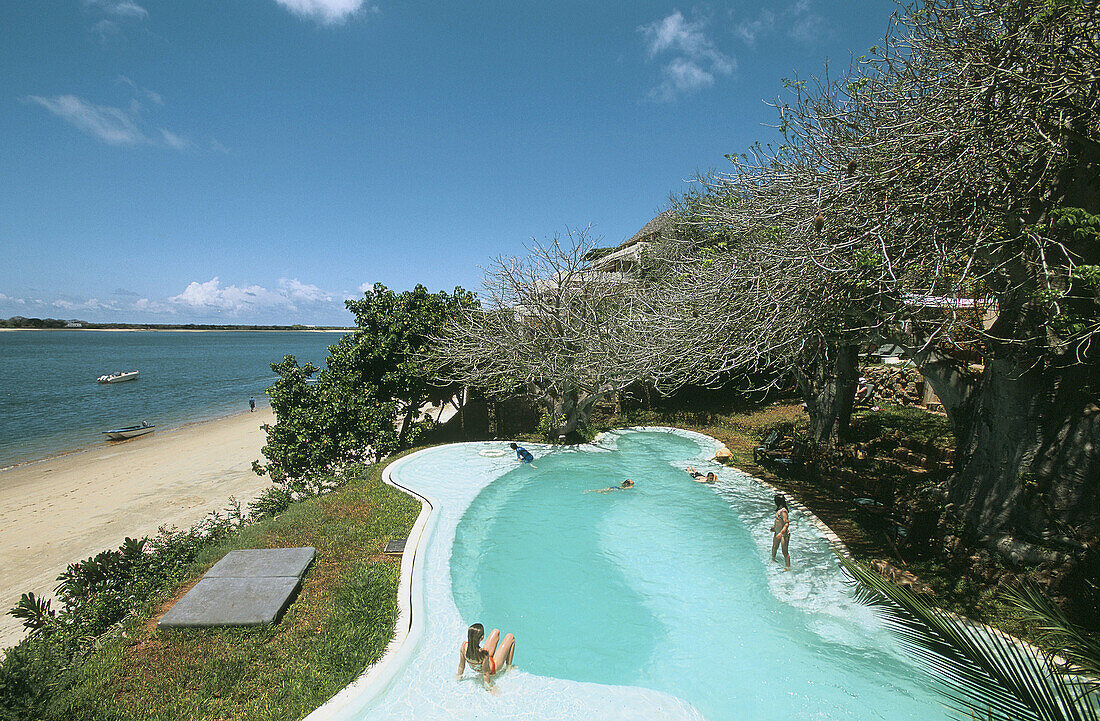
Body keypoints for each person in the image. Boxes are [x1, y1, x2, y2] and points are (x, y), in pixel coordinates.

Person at [457, 623, 515, 691]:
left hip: (481, 665)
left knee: (496, 631)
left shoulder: (463, 647)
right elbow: (485, 673)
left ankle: (508, 667)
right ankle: (509, 667)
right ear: (482, 637)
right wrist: (489, 687)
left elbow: (461, 666)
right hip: (493, 667)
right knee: (511, 637)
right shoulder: (483, 654)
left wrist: (459, 677)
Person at [771, 494, 791, 569]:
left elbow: (786, 523)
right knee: (775, 547)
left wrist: (781, 533)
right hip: (777, 532)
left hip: (783, 535)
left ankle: (788, 567)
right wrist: (774, 527)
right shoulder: (779, 510)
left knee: (785, 552)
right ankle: (773, 560)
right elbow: (779, 522)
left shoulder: (783, 511)